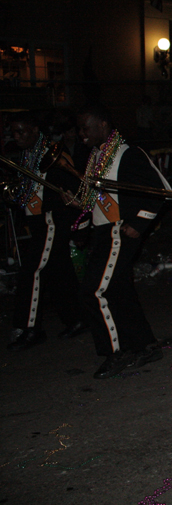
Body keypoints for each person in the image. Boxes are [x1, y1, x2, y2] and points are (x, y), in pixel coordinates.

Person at [71, 105, 169, 379]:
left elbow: (160, 191)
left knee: (94, 292)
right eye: (79, 128)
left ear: (103, 125)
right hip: (104, 231)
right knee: (118, 290)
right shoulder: (96, 156)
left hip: (119, 232)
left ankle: (117, 352)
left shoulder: (127, 154)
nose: (82, 134)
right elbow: (97, 200)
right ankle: (145, 345)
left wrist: (140, 222)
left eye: (86, 127)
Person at [6, 112, 87, 351]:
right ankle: (77, 318)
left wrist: (79, 225)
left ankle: (30, 328)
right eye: (14, 132)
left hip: (52, 219)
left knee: (33, 269)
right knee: (58, 271)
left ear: (34, 130)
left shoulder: (52, 152)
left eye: (21, 131)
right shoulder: (27, 154)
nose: (17, 137)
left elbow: (71, 187)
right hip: (37, 219)